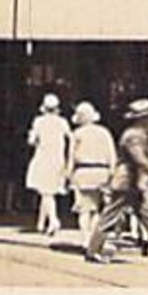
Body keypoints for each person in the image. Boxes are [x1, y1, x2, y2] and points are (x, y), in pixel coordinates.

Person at [86, 98, 148, 265]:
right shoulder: (133, 136)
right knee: (112, 215)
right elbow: (140, 159)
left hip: (136, 181)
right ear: (143, 118)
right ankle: (93, 250)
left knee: (144, 215)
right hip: (125, 181)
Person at [65, 101, 116, 246]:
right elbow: (112, 155)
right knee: (97, 208)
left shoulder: (77, 134)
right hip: (102, 171)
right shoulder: (104, 132)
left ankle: (86, 239)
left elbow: (71, 157)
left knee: (84, 209)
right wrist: (112, 173)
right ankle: (95, 239)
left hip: (83, 172)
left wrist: (68, 176)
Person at [25, 93, 72, 238]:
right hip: (58, 157)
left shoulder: (38, 122)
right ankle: (41, 223)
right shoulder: (62, 122)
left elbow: (32, 141)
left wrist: (32, 136)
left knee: (46, 192)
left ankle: (53, 220)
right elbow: (70, 137)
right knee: (47, 191)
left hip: (43, 156)